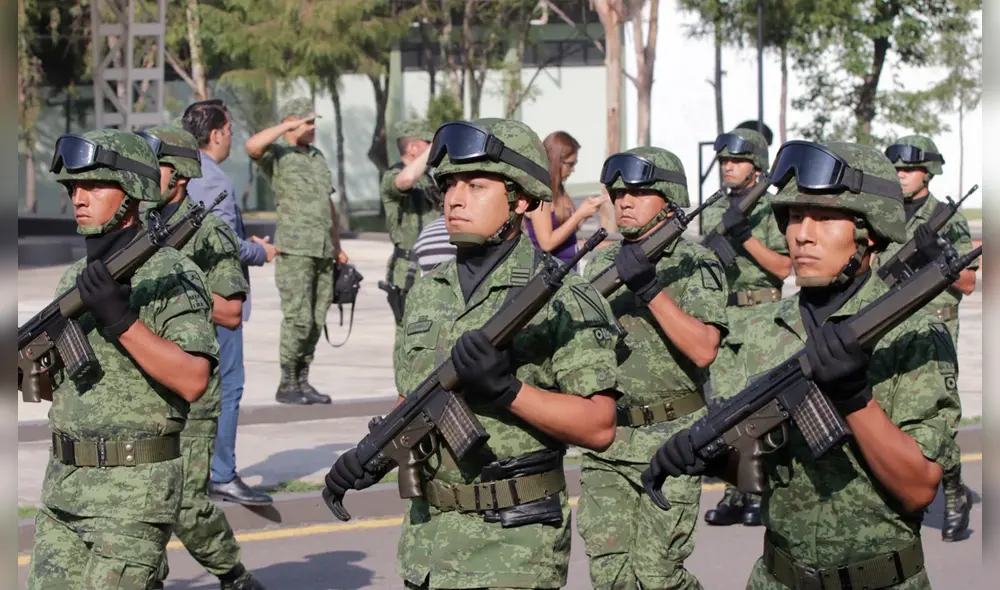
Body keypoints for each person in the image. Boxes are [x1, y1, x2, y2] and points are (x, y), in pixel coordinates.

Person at [648, 140, 961, 590]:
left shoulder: (913, 335)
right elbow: (754, 464)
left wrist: (855, 397)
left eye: (824, 217)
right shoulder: (757, 329)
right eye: (794, 217)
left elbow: (918, 489)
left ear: (869, 230)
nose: (802, 234)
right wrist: (704, 454)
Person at [324, 118, 622, 589]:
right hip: (428, 544)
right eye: (448, 186)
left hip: (514, 549)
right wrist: (371, 454)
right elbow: (418, 398)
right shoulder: (428, 292)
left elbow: (600, 425)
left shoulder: (563, 298)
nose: (455, 199)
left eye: (476, 185)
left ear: (521, 199)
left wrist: (508, 392)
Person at [26, 129, 218, 589]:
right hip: (65, 490)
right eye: (74, 187)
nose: (79, 197)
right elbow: (67, 387)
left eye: (94, 185)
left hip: (134, 495)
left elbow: (194, 379)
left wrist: (119, 318)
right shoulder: (73, 280)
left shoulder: (171, 273)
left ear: (133, 194)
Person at [578, 147, 728, 590]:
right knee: (612, 577)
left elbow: (704, 349)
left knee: (658, 576)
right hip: (609, 442)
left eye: (639, 192)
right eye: (619, 192)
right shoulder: (602, 262)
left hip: (672, 439)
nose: (623, 201)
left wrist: (648, 287)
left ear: (669, 199)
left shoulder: (695, 263)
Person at [137, 126, 266, 590]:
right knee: (139, 502)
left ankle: (234, 575)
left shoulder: (209, 229)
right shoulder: (137, 226)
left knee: (187, 503)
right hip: (142, 384)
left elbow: (231, 311)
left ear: (182, 174)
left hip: (192, 388)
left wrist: (162, 293)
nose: (146, 176)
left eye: (156, 166)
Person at [880, 134, 978, 541]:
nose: (901, 176)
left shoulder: (946, 218)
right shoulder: (882, 212)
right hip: (888, 325)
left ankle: (954, 492)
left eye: (909, 169)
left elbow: (970, 282)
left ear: (928, 173)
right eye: (897, 169)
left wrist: (939, 252)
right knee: (886, 416)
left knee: (934, 422)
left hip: (934, 327)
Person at [183, 98, 276, 506]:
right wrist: (260, 252)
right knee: (228, 386)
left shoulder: (180, 172)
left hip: (190, 298)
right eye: (230, 131)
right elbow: (221, 244)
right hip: (218, 300)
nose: (232, 138)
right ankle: (221, 473)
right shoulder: (213, 179)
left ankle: (199, 471)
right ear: (217, 133)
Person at [701, 127, 791, 528]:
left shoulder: (772, 208)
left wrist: (746, 237)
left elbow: (785, 268)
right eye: (723, 161)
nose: (727, 167)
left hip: (762, 315)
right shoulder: (715, 206)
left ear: (756, 167)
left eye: (735, 161)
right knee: (724, 411)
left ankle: (762, 492)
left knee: (761, 410)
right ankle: (735, 492)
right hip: (724, 316)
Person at [246, 97, 348, 405]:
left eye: (314, 122)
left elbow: (327, 204)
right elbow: (252, 147)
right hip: (295, 249)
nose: (313, 127)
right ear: (291, 122)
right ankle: (286, 381)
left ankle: (303, 380)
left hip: (322, 249)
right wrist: (285, 127)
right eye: (307, 122)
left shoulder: (317, 156)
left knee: (317, 318)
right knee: (298, 318)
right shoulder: (277, 154)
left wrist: (338, 245)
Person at [379, 119, 442, 323]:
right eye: (428, 143)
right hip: (409, 270)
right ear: (413, 148)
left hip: (435, 266)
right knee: (409, 336)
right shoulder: (392, 176)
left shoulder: (428, 179)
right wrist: (435, 146)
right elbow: (405, 181)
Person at [524, 131, 608, 265]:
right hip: (550, 273)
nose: (573, 170)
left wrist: (586, 213)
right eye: (570, 164)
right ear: (555, 160)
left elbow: (567, 232)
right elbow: (546, 243)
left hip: (568, 268)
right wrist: (579, 215)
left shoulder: (559, 190)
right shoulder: (541, 194)